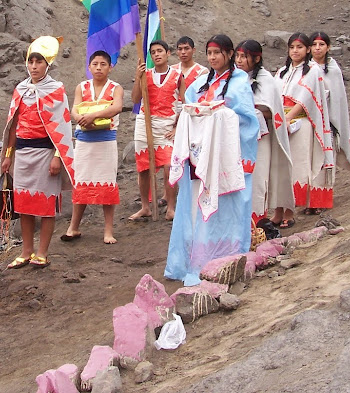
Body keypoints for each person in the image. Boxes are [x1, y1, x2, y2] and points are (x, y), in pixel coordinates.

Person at [165, 34, 260, 286]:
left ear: (229, 54)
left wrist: (219, 116)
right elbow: (188, 110)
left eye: (218, 52)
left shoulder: (240, 82)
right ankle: (195, 259)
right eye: (209, 53)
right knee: (197, 206)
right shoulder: (199, 84)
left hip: (225, 156)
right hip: (200, 156)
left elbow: (248, 121)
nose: (213, 57)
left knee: (225, 206)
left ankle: (225, 258)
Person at [0, 36, 75, 269]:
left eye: (39, 61)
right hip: (22, 153)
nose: (34, 66)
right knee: (24, 205)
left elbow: (62, 126)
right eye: (30, 61)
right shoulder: (20, 90)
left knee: (45, 204)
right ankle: (26, 251)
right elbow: (13, 124)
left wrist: (56, 157)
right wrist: (8, 155)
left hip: (45, 153)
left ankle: (42, 252)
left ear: (47, 64)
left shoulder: (56, 90)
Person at [62, 50, 124, 244]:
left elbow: (117, 107)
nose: (99, 67)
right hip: (84, 141)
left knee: (106, 182)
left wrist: (94, 116)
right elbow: (74, 108)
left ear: (110, 67)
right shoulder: (82, 86)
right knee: (81, 182)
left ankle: (108, 231)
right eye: (95, 64)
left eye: (103, 64)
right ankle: (73, 227)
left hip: (105, 140)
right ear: (89, 67)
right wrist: (79, 117)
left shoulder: (116, 88)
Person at [274, 33, 334, 226]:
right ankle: (277, 210)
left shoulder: (313, 71)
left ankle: (290, 212)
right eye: (292, 47)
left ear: (307, 49)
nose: (295, 51)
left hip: (300, 124)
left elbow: (305, 98)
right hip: (281, 123)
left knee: (297, 167)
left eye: (299, 47)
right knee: (279, 167)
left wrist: (287, 118)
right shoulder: (282, 71)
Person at [234, 40, 293, 227]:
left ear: (256, 58)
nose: (239, 60)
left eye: (244, 56)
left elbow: (272, 110)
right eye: (237, 56)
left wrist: (252, 110)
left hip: (262, 137)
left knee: (258, 177)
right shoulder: (234, 78)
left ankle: (257, 221)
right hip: (239, 136)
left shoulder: (265, 79)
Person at [130, 40, 186, 222]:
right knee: (143, 168)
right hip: (144, 123)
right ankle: (145, 207)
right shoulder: (145, 75)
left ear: (168, 53)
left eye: (160, 51)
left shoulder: (178, 75)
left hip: (167, 126)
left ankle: (171, 208)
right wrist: (138, 78)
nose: (156, 55)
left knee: (170, 166)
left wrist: (177, 127)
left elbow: (185, 104)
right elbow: (135, 99)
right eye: (153, 52)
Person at [309, 31, 350, 213]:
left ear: (328, 47)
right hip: (311, 121)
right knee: (310, 162)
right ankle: (310, 202)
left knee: (325, 162)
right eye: (314, 44)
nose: (317, 48)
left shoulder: (333, 71)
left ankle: (322, 201)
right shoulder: (306, 69)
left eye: (321, 44)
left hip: (328, 122)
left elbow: (338, 99)